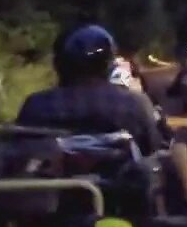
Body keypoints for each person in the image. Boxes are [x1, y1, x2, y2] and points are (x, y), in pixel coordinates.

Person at [16, 23, 165, 156]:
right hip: (119, 186)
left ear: (60, 65)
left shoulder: (36, 105)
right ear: (108, 65)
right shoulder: (134, 103)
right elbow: (152, 147)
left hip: (48, 185)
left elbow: (17, 150)